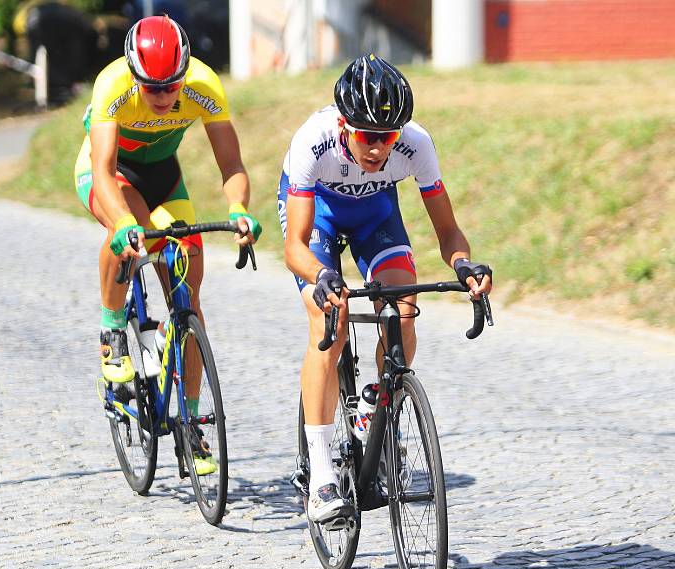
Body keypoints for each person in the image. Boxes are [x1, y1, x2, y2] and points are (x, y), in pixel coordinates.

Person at [279, 54, 492, 523]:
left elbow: (449, 232)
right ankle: (320, 476)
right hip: (319, 219)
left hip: (375, 215)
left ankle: (376, 404)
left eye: (387, 137)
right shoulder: (312, 142)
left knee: (403, 308)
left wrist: (464, 265)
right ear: (344, 125)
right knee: (327, 324)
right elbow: (294, 247)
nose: (377, 148)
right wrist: (320, 275)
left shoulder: (417, 144)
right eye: (367, 136)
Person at [73, 15, 260, 472]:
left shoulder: (204, 86)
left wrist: (238, 209)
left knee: (188, 295)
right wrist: (119, 222)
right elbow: (102, 168)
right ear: (135, 76)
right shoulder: (112, 85)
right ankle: (112, 331)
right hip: (112, 174)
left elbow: (231, 164)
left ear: (185, 72)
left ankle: (191, 423)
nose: (162, 96)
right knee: (132, 235)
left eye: (171, 86)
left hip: (163, 176)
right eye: (152, 88)